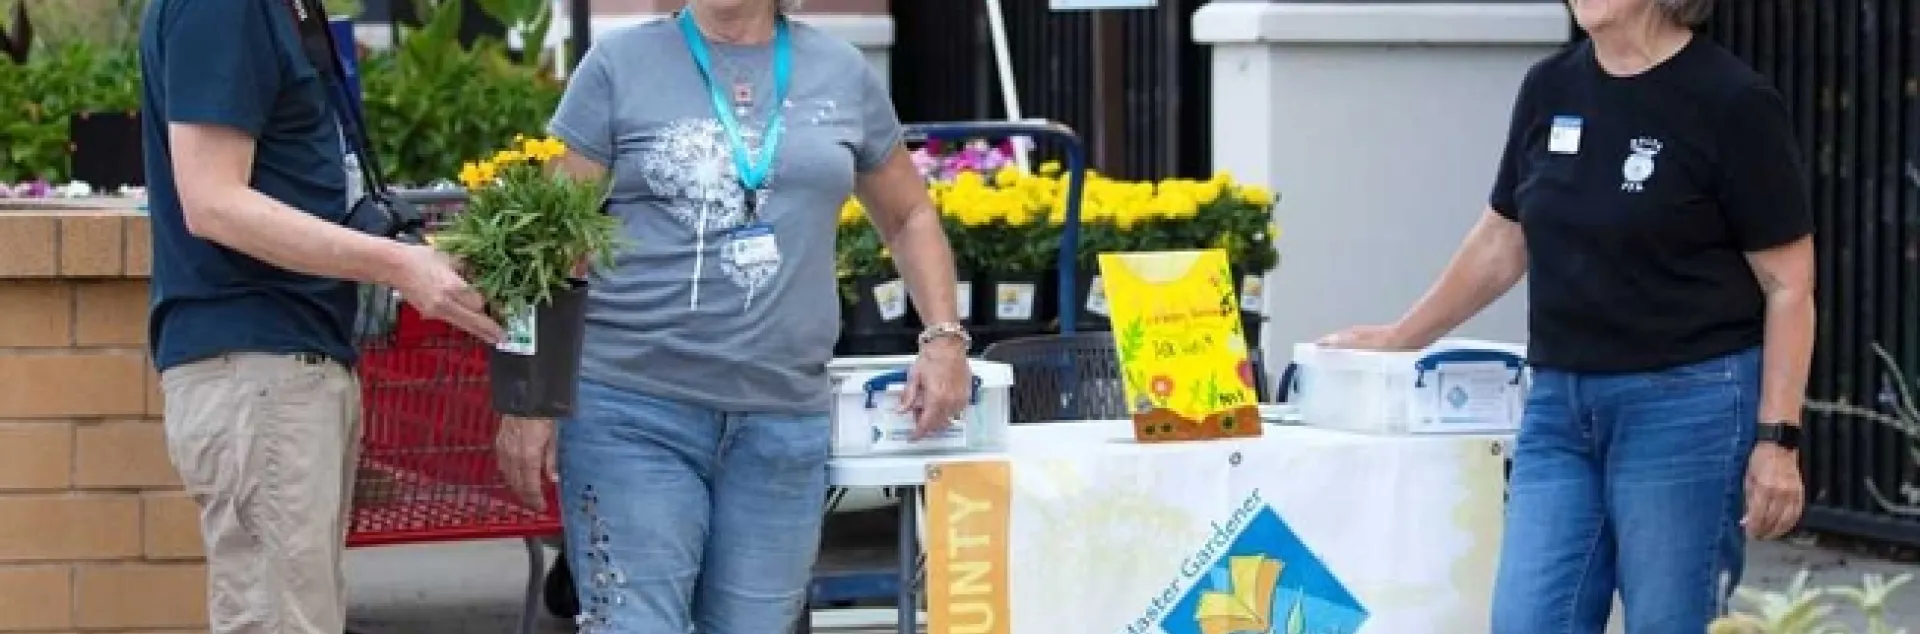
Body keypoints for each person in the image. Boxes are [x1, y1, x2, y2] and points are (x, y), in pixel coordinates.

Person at [1319, 0, 1814, 631]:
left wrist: (1778, 441)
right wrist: (1401, 337)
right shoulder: (1549, 86)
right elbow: (1503, 239)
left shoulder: (1732, 100)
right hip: (1559, 406)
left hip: (1687, 407)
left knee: (1670, 621)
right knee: (1528, 619)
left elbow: (1789, 283)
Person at [490, 0, 974, 632]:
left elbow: (909, 215)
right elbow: (547, 240)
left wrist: (944, 339)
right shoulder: (618, 65)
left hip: (781, 422)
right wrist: (529, 396)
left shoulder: (841, 70)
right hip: (632, 412)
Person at [139, 0, 503, 632]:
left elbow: (300, 184)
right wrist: (397, 266)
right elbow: (214, 202)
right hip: (259, 366)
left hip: (284, 368)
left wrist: (427, 255)